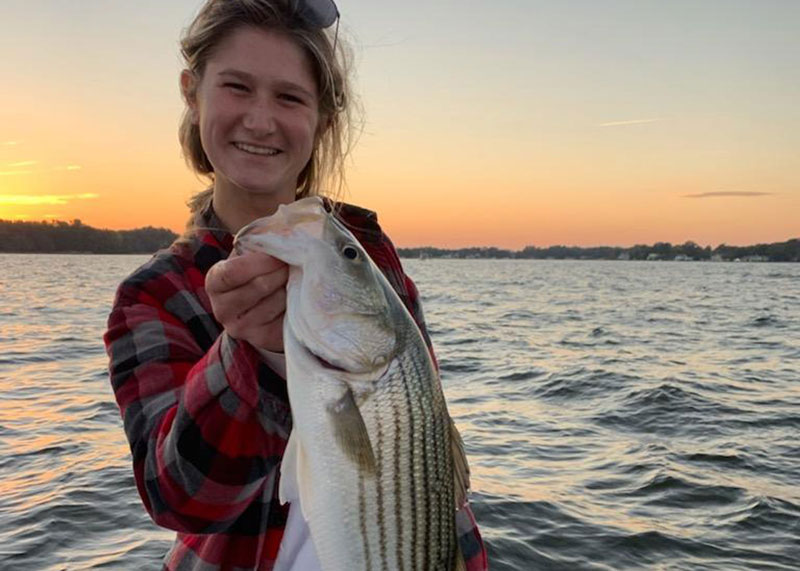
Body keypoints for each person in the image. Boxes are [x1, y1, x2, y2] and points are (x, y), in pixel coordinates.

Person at [104, 0, 488, 569]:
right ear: (192, 91)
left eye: (289, 97)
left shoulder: (365, 249)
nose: (260, 120)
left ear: (323, 118)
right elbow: (178, 494)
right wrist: (248, 354)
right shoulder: (156, 294)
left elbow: (425, 445)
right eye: (237, 87)